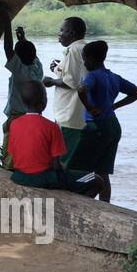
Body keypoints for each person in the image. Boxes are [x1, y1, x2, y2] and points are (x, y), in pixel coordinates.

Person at [73, 40, 137, 202]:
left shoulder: (92, 76)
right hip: (113, 126)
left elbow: (82, 90)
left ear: (90, 58)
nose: (84, 62)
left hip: (96, 128)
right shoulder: (114, 77)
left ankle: (82, 201)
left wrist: (89, 107)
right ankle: (105, 204)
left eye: (84, 59)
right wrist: (114, 106)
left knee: (80, 169)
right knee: (102, 171)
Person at [6, 81, 101, 196]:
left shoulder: (14, 124)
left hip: (19, 176)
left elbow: (13, 154)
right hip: (43, 179)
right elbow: (56, 165)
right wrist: (64, 171)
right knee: (96, 180)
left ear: (23, 102)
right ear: (43, 103)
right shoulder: (52, 127)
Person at [43, 17, 88, 171]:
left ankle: (63, 192)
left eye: (62, 30)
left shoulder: (74, 50)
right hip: (78, 114)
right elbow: (76, 76)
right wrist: (57, 69)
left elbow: (70, 82)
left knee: (64, 160)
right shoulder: (84, 48)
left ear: (72, 32)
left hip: (69, 115)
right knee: (75, 160)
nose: (59, 34)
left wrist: (50, 81)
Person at [0, 22, 43, 151]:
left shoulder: (20, 72)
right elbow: (29, 53)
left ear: (17, 57)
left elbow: (8, 49)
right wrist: (22, 39)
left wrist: (6, 24)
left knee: (12, 155)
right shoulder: (37, 69)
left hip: (18, 119)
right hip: (33, 119)